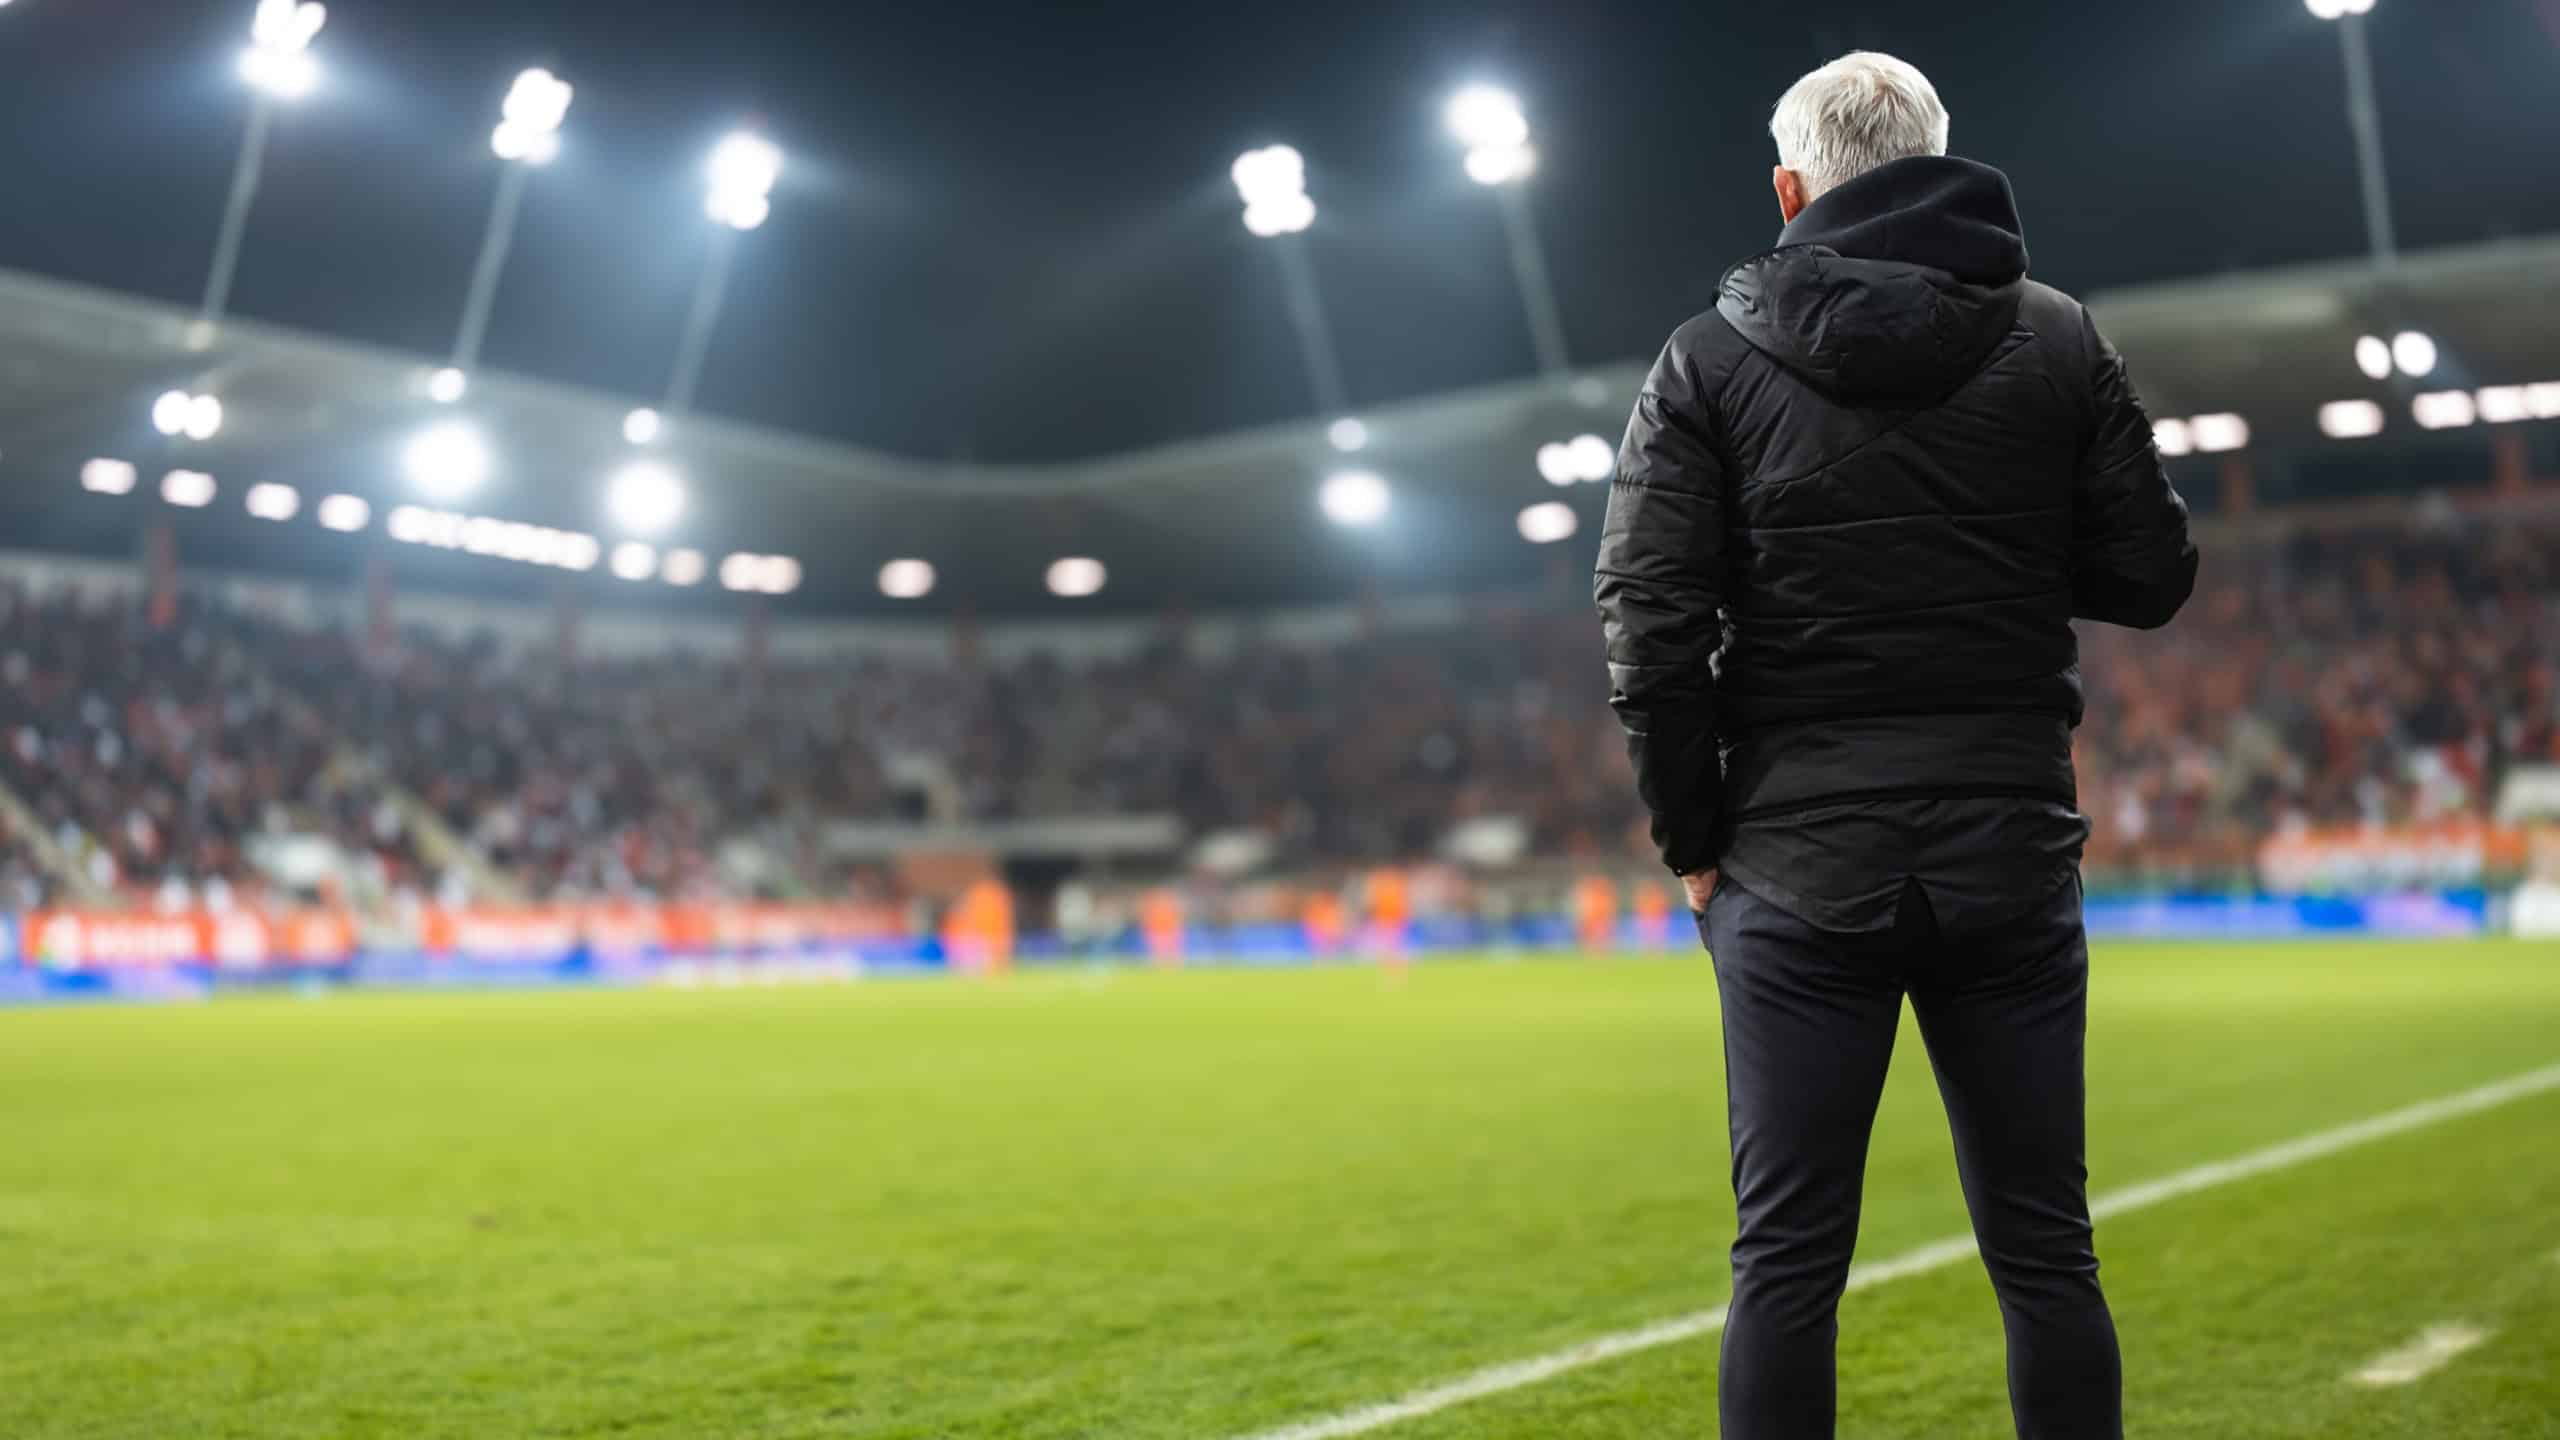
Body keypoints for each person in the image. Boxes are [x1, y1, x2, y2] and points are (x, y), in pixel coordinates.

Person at [1592, 51, 2196, 1440]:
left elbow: (1652, 624)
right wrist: (2003, 537)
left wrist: (1694, 844)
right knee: (2049, 1253)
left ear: (1792, 190)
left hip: (1797, 869)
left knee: (1787, 1267)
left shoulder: (1707, 358)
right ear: (1933, 162)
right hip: (2008, 853)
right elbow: (2155, 574)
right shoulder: (2056, 335)